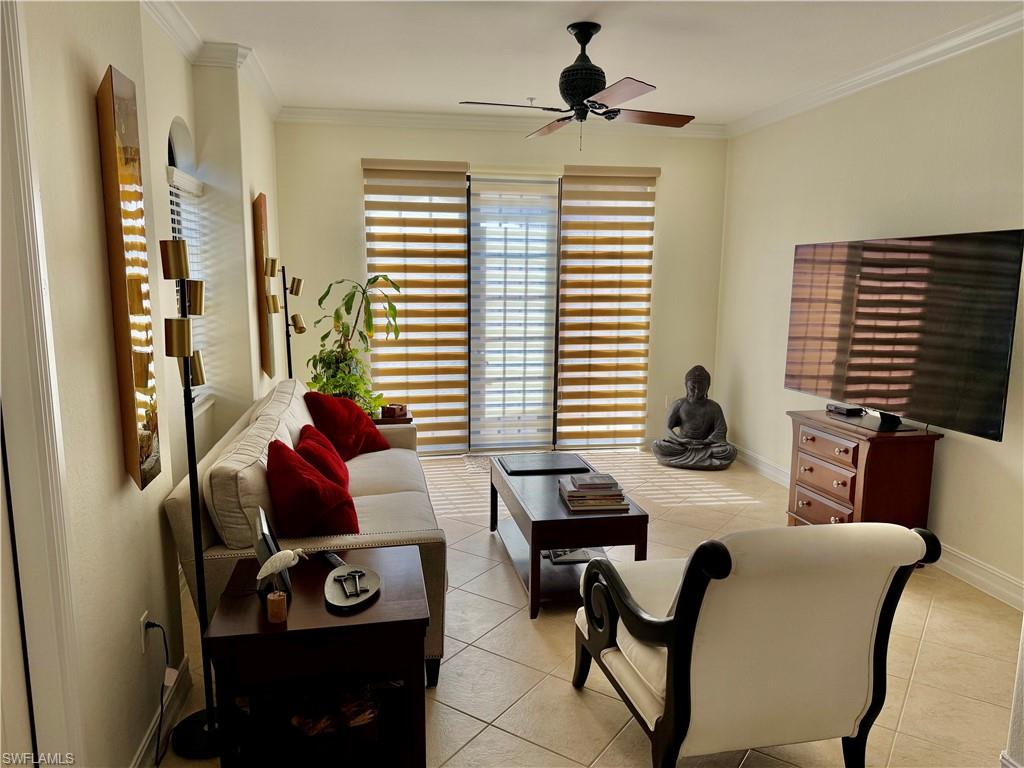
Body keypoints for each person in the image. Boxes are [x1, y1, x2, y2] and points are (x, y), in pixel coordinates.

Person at [651, 365, 737, 470]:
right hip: (682, 445)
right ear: (686, 386)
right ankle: (703, 461)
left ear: (708, 387)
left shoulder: (714, 407)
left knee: (729, 451)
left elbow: (721, 430)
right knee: (657, 445)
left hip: (705, 446)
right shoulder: (679, 404)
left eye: (701, 388)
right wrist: (680, 440)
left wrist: (706, 442)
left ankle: (687, 459)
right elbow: (667, 428)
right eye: (692, 387)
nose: (697, 391)